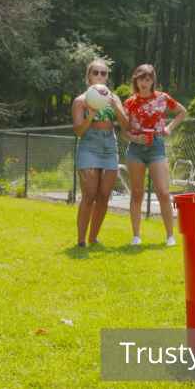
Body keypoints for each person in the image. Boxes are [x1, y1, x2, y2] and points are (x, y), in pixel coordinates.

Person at [123, 64, 186, 246]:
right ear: (136, 80)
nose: (145, 82)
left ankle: (170, 236)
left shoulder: (162, 98)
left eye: (148, 79)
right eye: (141, 78)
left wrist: (168, 128)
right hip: (136, 149)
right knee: (136, 193)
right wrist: (136, 139)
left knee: (163, 192)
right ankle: (136, 236)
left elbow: (182, 112)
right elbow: (124, 132)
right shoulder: (129, 103)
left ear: (153, 81)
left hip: (157, 146)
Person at [71, 59, 128, 248]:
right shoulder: (80, 101)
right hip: (89, 145)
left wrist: (116, 107)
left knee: (104, 195)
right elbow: (79, 131)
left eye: (104, 73)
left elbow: (126, 125)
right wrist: (92, 114)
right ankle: (81, 240)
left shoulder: (113, 98)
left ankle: (93, 238)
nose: (100, 76)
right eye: (96, 72)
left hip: (109, 145)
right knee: (89, 194)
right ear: (88, 76)